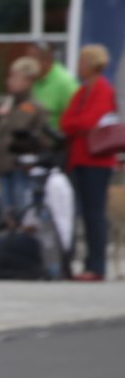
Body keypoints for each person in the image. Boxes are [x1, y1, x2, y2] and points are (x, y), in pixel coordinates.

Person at [59, 43, 119, 282]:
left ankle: (97, 265)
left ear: (92, 64)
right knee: (81, 212)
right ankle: (85, 263)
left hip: (97, 161)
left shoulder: (103, 90)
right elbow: (66, 122)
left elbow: (90, 121)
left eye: (82, 62)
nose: (78, 66)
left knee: (94, 213)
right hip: (78, 159)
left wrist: (77, 124)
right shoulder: (82, 91)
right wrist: (78, 124)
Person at [0, 57, 55, 228]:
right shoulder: (8, 104)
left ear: (27, 81)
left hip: (20, 169)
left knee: (22, 213)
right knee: (6, 214)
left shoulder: (35, 108)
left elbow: (42, 138)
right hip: (2, 165)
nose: (9, 81)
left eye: (14, 77)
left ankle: (22, 240)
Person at [26, 40, 80, 131]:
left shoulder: (65, 83)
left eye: (32, 59)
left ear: (46, 60)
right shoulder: (31, 78)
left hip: (53, 137)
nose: (27, 63)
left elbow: (77, 117)